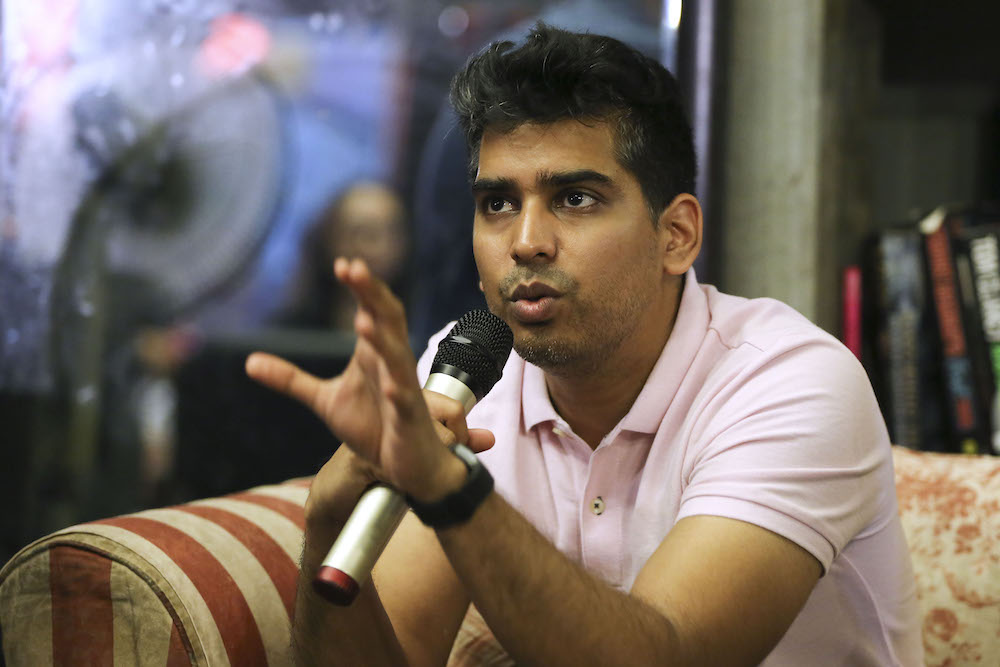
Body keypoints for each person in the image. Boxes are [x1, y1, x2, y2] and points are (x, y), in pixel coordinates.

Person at [246, 24, 923, 666]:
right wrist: (325, 533)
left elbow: (667, 656)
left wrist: (451, 489)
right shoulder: (466, 372)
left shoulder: (791, 381)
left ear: (677, 235)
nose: (525, 241)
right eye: (498, 204)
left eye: (574, 199)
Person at [276, 181, 409, 331]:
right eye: (359, 232)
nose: (373, 248)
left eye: (390, 232)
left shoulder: (430, 336)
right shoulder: (291, 333)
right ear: (329, 240)